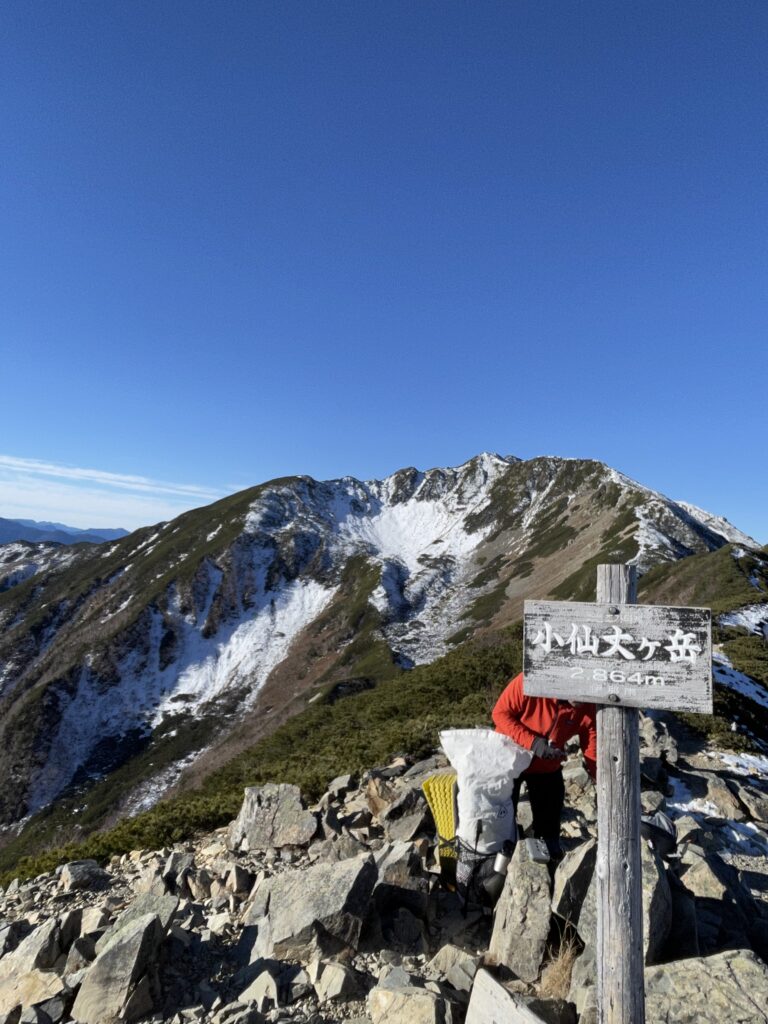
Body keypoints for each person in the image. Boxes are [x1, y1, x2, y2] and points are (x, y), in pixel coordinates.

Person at [492, 671, 597, 859]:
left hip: (546, 765)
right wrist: (534, 743)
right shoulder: (531, 680)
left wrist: (602, 778)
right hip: (509, 759)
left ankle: (546, 860)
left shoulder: (587, 704)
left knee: (549, 825)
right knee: (502, 819)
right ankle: (499, 862)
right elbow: (500, 714)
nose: (583, 699)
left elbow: (591, 743)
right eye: (579, 692)